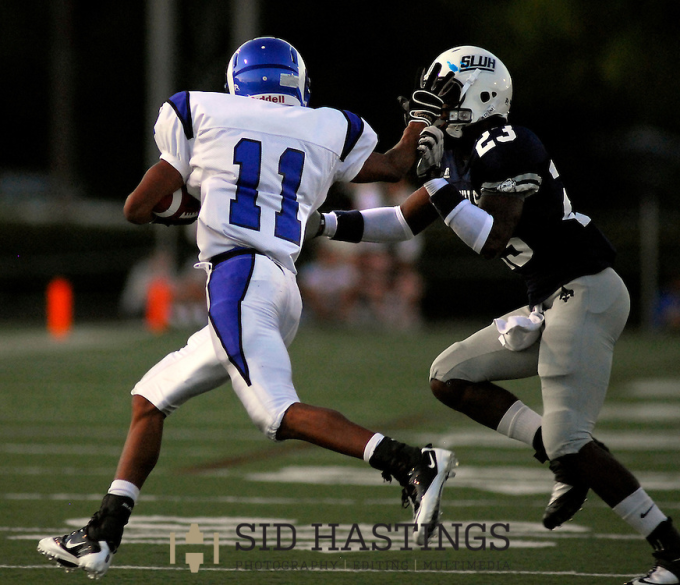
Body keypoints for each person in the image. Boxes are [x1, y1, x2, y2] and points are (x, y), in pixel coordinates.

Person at [36, 37, 455, 579]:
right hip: (282, 284)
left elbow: (137, 207)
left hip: (238, 279)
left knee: (276, 412)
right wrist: (421, 120)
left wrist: (187, 205)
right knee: (150, 397)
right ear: (294, 83)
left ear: (241, 80)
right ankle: (101, 535)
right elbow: (398, 164)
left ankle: (410, 462)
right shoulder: (325, 125)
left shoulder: (201, 110)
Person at [313, 46, 680, 584]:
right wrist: (318, 225)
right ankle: (561, 457)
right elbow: (394, 222)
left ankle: (670, 552)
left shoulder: (507, 142)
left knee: (571, 440)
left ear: (481, 96)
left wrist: (436, 182)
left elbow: (493, 238)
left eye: (446, 97)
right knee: (450, 376)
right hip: (549, 300)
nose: (434, 110)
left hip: (586, 290)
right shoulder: (463, 156)